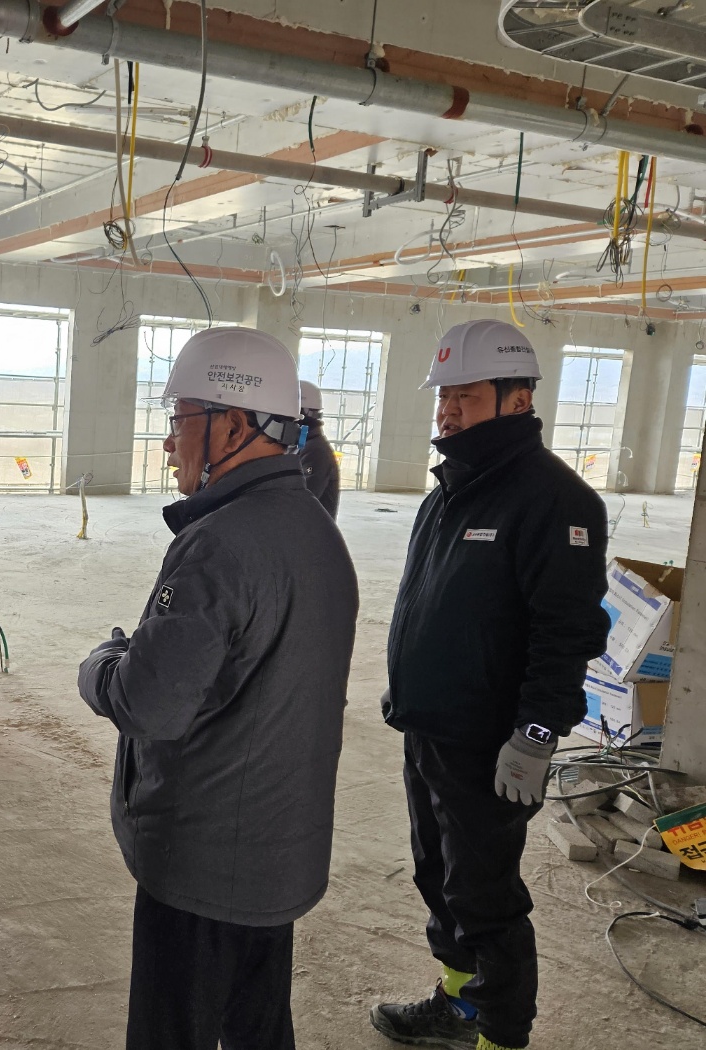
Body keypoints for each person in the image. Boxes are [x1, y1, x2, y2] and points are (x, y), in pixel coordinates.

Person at [76, 327, 359, 1050]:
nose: (168, 443)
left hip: (204, 861)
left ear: (233, 425)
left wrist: (102, 665)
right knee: (255, 1024)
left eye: (180, 420)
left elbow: (150, 702)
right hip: (275, 852)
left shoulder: (221, 543)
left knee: (174, 1029)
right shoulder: (315, 529)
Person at [372, 319, 609, 1050]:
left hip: (489, 742)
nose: (447, 411)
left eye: (465, 396)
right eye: (443, 396)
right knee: (437, 876)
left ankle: (500, 1036)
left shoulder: (555, 500)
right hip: (430, 726)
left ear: (517, 398)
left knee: (485, 895)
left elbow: (566, 633)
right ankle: (459, 1005)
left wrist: (535, 737)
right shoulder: (452, 490)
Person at [297, 380, 340, 518]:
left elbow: (302, 499)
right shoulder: (303, 446)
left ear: (301, 414)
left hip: (309, 529)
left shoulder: (315, 451)